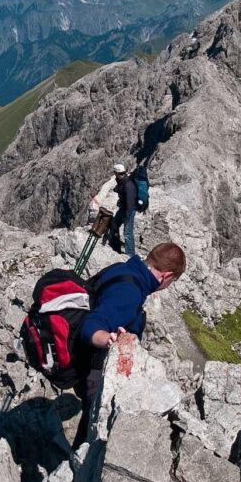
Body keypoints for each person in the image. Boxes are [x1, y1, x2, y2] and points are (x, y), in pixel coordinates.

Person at [71, 242, 186, 447]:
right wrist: (107, 338)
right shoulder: (130, 292)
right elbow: (91, 326)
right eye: (172, 281)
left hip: (88, 359)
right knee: (90, 431)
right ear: (167, 276)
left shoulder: (124, 269)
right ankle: (77, 462)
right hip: (94, 367)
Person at [110, 163, 137, 256]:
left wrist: (128, 215)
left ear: (117, 172)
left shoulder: (128, 184)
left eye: (114, 172)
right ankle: (115, 247)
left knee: (127, 233)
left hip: (128, 211)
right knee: (114, 224)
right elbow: (119, 189)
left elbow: (130, 201)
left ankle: (130, 255)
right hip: (123, 209)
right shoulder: (122, 180)